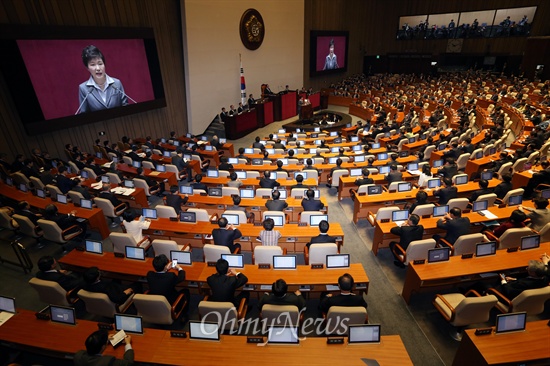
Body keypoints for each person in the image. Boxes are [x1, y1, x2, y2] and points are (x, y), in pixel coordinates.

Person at [77, 45, 128, 114]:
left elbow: (126, 107)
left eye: (100, 63)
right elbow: (84, 114)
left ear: (104, 64)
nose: (98, 68)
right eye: (93, 65)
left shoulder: (116, 83)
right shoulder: (84, 89)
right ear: (87, 68)